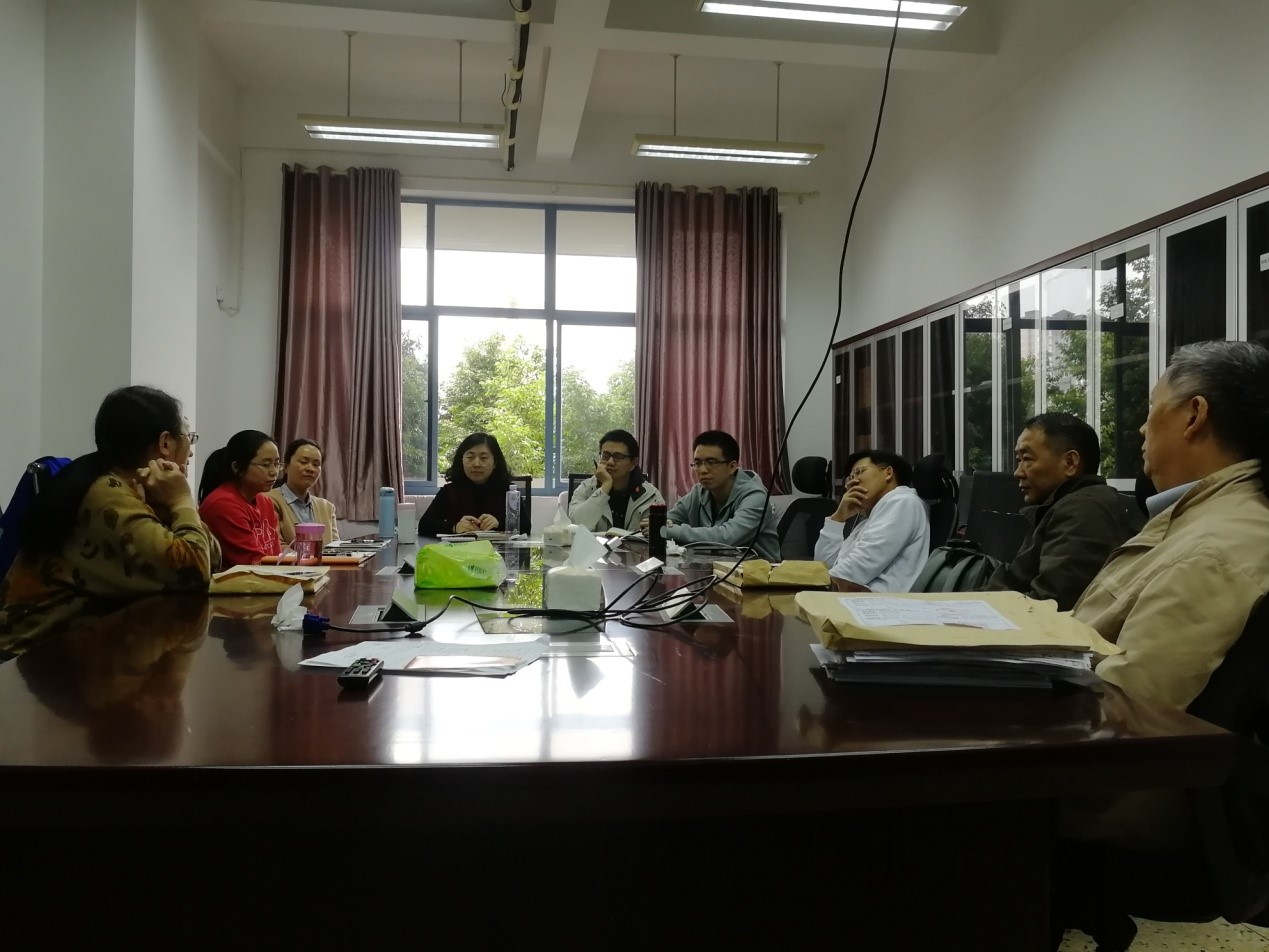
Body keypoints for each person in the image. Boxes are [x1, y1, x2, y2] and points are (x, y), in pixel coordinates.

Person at [1065, 341, 1269, 853]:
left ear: (1194, 415)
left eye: (1152, 408)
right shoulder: (1204, 520)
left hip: (1107, 806)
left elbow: (1129, 710)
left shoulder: (1215, 549)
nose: (1140, 428)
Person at [0, 386, 216, 655]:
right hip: (32, 658)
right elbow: (194, 573)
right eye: (189, 438)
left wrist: (167, 508)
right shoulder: (106, 496)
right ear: (165, 443)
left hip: (80, 651)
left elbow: (212, 558)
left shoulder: (125, 486)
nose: (191, 452)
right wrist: (181, 501)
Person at [980, 413, 1140, 611]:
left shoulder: (1084, 511)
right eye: (1018, 460)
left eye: (1027, 459)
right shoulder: (1068, 505)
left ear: (1070, 463)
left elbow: (1048, 607)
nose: (1018, 472)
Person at [651, 430, 780, 561]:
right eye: (697, 463)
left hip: (759, 570)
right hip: (712, 566)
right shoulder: (698, 492)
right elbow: (668, 519)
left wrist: (669, 530)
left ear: (732, 466)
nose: (702, 470)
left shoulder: (755, 497)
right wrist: (656, 523)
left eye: (711, 463)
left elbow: (727, 537)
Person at [814, 449, 929, 592]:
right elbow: (824, 566)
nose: (853, 482)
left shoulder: (903, 502)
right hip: (855, 597)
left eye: (859, 472)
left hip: (879, 601)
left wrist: (814, 584)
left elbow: (859, 567)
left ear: (888, 473)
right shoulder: (866, 522)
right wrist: (838, 517)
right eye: (850, 478)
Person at [198, 430, 283, 568]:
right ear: (237, 467)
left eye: (277, 464)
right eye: (266, 465)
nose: (274, 472)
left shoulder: (265, 502)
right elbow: (253, 563)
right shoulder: (223, 504)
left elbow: (277, 557)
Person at [418, 433, 531, 536]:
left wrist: (499, 523)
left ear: (495, 463)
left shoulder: (509, 491)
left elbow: (526, 527)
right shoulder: (450, 491)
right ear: (462, 461)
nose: (476, 464)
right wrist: (454, 527)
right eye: (470, 457)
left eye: (484, 458)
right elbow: (424, 525)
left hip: (498, 551)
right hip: (460, 551)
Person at [569, 429, 665, 533]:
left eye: (618, 457)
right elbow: (577, 526)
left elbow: (658, 533)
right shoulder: (586, 488)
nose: (610, 462)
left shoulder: (650, 495)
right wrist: (605, 487)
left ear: (633, 463)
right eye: (605, 455)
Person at [269, 438, 339, 545]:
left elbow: (335, 548)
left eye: (316, 464)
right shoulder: (268, 500)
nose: (310, 469)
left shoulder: (327, 507)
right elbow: (275, 546)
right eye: (303, 462)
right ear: (286, 467)